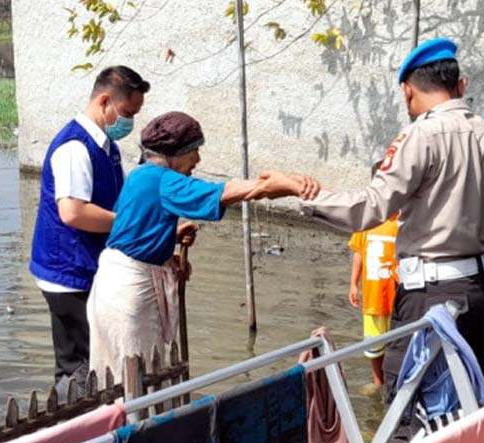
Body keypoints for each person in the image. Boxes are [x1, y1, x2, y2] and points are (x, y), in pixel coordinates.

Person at [298, 38, 484, 402]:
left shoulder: (419, 135)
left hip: (431, 296)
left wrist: (304, 195)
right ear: (459, 85)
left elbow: (371, 208)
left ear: (407, 89)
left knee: (407, 411)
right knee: (465, 403)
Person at [88, 111, 320, 383]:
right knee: (135, 378)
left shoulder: (140, 176)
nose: (197, 160)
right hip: (130, 293)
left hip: (112, 282)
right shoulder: (164, 179)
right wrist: (282, 185)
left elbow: (129, 230)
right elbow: (224, 192)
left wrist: (168, 242)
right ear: (175, 153)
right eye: (194, 151)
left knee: (117, 375)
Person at [29, 66, 153, 393]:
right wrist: (130, 222)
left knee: (98, 359)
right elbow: (73, 212)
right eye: (127, 113)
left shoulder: (105, 145)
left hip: (87, 266)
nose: (129, 123)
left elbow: (116, 202)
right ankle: (73, 426)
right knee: (81, 364)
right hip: (67, 273)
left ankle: (90, 422)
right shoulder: (75, 147)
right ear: (104, 101)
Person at [347, 161, 398, 390]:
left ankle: (397, 381)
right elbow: (359, 252)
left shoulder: (403, 221)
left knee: (399, 341)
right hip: (374, 296)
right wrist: (353, 284)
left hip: (399, 297)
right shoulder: (366, 221)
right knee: (374, 344)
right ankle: (378, 381)